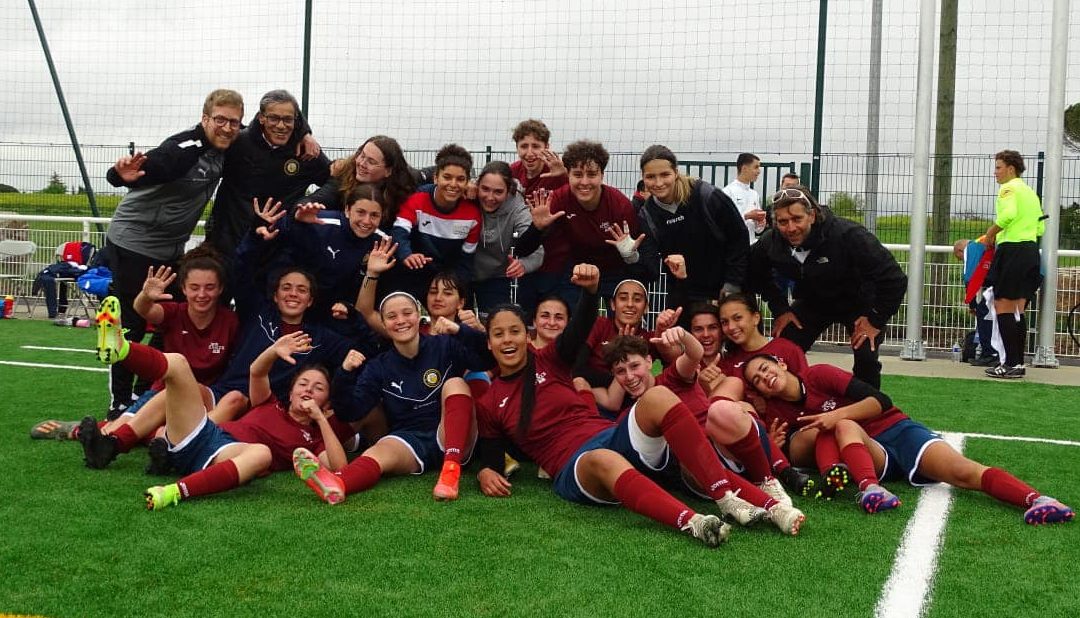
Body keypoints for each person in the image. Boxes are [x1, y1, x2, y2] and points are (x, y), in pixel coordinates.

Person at [462, 264, 792, 547]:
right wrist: (486, 473)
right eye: (499, 334)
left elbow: (578, 329)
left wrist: (591, 292)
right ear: (488, 342)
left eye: (515, 332)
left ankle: (755, 503)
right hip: (574, 465)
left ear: (526, 335)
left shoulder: (549, 361)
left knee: (659, 397)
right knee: (604, 457)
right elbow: (490, 459)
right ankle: (694, 522)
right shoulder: (490, 400)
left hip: (611, 435)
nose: (508, 340)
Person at [81, 297, 353, 510]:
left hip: (224, 456)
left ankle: (175, 491)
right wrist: (273, 350)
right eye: (303, 384)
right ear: (291, 392)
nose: (308, 390)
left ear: (326, 402)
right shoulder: (269, 403)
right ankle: (122, 349)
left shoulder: (313, 439)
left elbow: (338, 465)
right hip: (203, 434)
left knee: (261, 453)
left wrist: (320, 419)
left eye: (318, 388)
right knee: (178, 363)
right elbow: (257, 372)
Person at [742, 354, 1075, 524]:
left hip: (896, 430)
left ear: (782, 363)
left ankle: (1038, 500)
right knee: (838, 429)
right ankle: (870, 490)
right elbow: (794, 454)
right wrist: (777, 443)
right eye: (757, 379)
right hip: (870, 454)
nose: (765, 377)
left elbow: (879, 401)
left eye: (766, 368)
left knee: (960, 472)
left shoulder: (819, 374)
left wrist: (835, 415)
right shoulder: (776, 412)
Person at [101, 89, 244, 417]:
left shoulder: (230, 145)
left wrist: (304, 132)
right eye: (219, 120)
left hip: (169, 249)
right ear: (205, 119)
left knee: (176, 316)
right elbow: (150, 166)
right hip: (133, 242)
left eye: (234, 122)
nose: (227, 127)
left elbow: (268, 130)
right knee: (135, 320)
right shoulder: (183, 150)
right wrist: (117, 176)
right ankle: (119, 402)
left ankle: (145, 390)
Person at [293, 290, 492, 503]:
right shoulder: (379, 366)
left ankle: (450, 473)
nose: (401, 321)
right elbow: (350, 411)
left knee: (456, 383)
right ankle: (338, 483)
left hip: (452, 437)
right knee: (377, 452)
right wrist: (344, 373)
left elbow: (487, 361)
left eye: (407, 313)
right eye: (392, 316)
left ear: (418, 316)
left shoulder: (444, 344)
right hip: (409, 440)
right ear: (384, 324)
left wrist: (461, 331)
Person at [601, 330, 808, 533]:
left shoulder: (671, 378)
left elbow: (694, 353)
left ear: (648, 362)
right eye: (620, 371)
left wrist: (682, 335)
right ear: (614, 376)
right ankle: (768, 507)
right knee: (691, 458)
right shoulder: (631, 419)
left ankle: (769, 480)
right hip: (704, 474)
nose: (629, 376)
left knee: (722, 409)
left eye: (634, 366)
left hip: (732, 445)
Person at [31, 246, 238, 448]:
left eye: (209, 287)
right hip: (163, 392)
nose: (202, 294)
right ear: (183, 288)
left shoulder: (231, 322)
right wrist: (146, 295)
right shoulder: (175, 313)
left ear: (220, 289)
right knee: (141, 422)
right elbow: (144, 309)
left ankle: (92, 430)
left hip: (204, 398)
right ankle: (90, 433)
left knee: (164, 424)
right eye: (194, 287)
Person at [746, 186, 907, 389]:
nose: (791, 228)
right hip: (813, 302)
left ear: (812, 215)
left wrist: (875, 319)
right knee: (783, 348)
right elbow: (757, 275)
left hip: (859, 303)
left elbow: (894, 277)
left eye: (797, 219)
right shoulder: (771, 242)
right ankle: (789, 402)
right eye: (783, 222)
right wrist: (780, 310)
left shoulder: (848, 234)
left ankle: (871, 412)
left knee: (866, 356)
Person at [516, 140, 656, 302]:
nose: (584, 182)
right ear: (567, 175)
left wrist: (631, 256)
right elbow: (522, 250)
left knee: (622, 320)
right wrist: (537, 229)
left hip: (614, 270)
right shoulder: (558, 200)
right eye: (577, 174)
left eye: (591, 174)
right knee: (573, 318)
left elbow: (648, 269)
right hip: (577, 269)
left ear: (602, 175)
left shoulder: (620, 206)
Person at [206, 89, 329, 259]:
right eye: (273, 118)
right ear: (261, 118)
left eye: (287, 119)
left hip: (278, 249)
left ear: (296, 120)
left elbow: (335, 182)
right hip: (228, 245)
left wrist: (306, 203)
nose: (281, 125)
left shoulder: (306, 152)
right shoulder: (238, 143)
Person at [249, 184, 386, 325]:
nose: (366, 221)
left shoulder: (383, 244)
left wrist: (347, 305)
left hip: (331, 316)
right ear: (347, 210)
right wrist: (288, 222)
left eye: (374, 215)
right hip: (288, 304)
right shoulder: (319, 221)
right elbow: (276, 234)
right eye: (361, 212)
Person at [637, 145, 750, 312]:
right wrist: (631, 254)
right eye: (651, 177)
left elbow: (739, 237)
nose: (658, 183)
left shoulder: (707, 196)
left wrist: (732, 283)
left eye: (665, 174)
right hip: (686, 293)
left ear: (676, 172)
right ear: (643, 178)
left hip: (725, 290)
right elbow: (651, 266)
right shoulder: (647, 214)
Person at [982, 150, 1046, 379]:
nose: (995, 172)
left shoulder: (1008, 188)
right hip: (1030, 250)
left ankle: (1010, 362)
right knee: (1019, 309)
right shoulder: (1029, 192)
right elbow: (1040, 227)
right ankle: (1017, 363)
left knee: (1003, 307)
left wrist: (990, 233)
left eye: (998, 167)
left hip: (1013, 250)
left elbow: (1008, 215)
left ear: (1011, 168)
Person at [392, 144, 482, 299]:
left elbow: (466, 261)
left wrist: (454, 287)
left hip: (448, 278)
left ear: (468, 182)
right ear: (435, 177)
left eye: (460, 179)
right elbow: (399, 233)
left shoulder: (472, 215)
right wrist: (407, 255)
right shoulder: (417, 200)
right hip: (413, 272)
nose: (453, 184)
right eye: (447, 177)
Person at [508, 119, 570, 314]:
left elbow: (582, 192)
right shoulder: (513, 173)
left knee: (556, 318)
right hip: (529, 258)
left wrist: (565, 175)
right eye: (523, 146)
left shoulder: (558, 172)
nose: (529, 152)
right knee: (528, 316)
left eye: (536, 146)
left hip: (557, 258)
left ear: (547, 147)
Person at [299, 135, 419, 232]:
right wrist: (303, 208)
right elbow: (314, 199)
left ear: (388, 171)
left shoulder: (404, 186)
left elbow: (432, 172)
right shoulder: (343, 178)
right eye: (362, 156)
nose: (362, 163)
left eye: (371, 161)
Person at [472, 161, 544, 312]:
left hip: (497, 276)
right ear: (477, 185)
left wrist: (523, 264)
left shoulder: (517, 209)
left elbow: (537, 250)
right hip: (464, 272)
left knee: (493, 321)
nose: (490, 197)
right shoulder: (468, 197)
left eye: (498, 192)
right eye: (485, 189)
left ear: (508, 190)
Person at [953, 238, 997, 366]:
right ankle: (998, 354)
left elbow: (969, 277)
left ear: (960, 250)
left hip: (998, 282)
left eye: (959, 258)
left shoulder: (971, 248)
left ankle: (990, 354)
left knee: (983, 313)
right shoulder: (982, 243)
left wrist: (972, 304)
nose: (962, 261)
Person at [722, 153, 767, 244]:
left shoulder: (754, 194)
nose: (759, 171)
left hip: (750, 246)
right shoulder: (727, 192)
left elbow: (757, 230)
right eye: (756, 167)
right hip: (732, 246)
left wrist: (761, 222)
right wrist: (747, 216)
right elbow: (723, 222)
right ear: (744, 168)